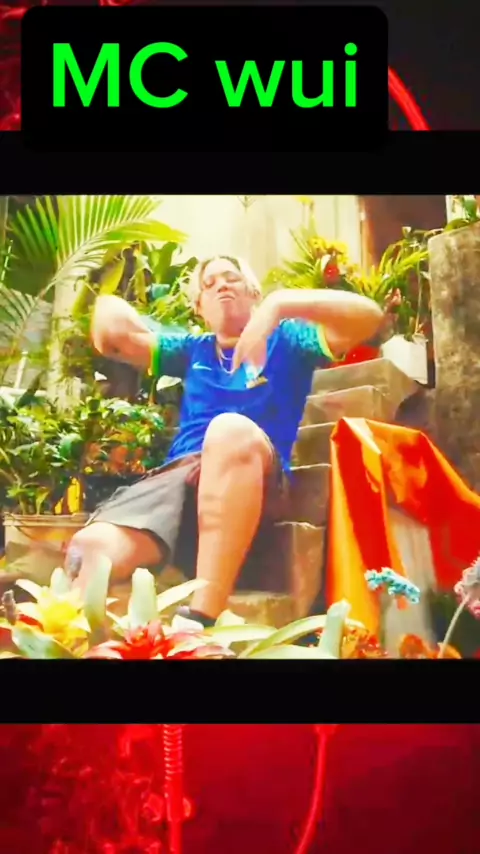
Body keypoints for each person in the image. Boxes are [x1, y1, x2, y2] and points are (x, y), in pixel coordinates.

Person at [66, 255, 383, 630]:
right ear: (200, 308)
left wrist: (280, 305)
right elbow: (110, 334)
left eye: (231, 278)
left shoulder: (289, 340)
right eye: (209, 284)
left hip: (249, 480)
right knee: (90, 552)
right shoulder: (193, 349)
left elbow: (368, 318)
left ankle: (200, 618)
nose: (221, 286)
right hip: (177, 487)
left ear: (253, 293)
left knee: (228, 430)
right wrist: (134, 320)